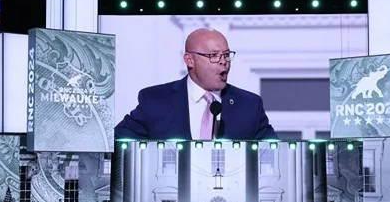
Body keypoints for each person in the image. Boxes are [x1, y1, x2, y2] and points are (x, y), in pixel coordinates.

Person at [115, 28, 278, 141]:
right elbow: (118, 141)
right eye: (213, 55)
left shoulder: (249, 105)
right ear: (189, 60)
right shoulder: (155, 100)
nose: (223, 62)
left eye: (226, 55)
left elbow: (275, 153)